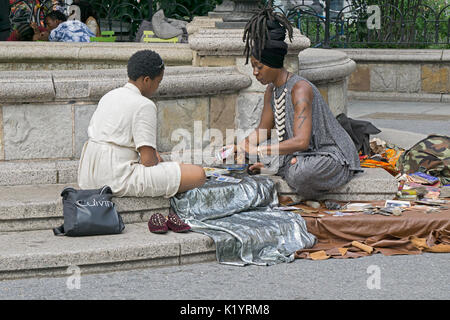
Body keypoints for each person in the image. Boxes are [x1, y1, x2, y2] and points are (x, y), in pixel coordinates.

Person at [234, 5, 361, 200]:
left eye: (259, 66)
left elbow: (301, 141)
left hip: (331, 157)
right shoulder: (271, 90)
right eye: (253, 67)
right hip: (301, 156)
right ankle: (280, 166)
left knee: (300, 174)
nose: (255, 72)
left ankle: (281, 168)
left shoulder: (300, 89)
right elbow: (263, 131)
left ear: (274, 63)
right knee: (245, 159)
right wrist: (241, 145)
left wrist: (260, 151)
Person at [78, 50, 206, 197]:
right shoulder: (144, 105)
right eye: (158, 82)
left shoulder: (109, 96)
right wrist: (159, 162)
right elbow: (148, 162)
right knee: (198, 174)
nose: (157, 87)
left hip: (88, 175)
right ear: (146, 80)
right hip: (117, 177)